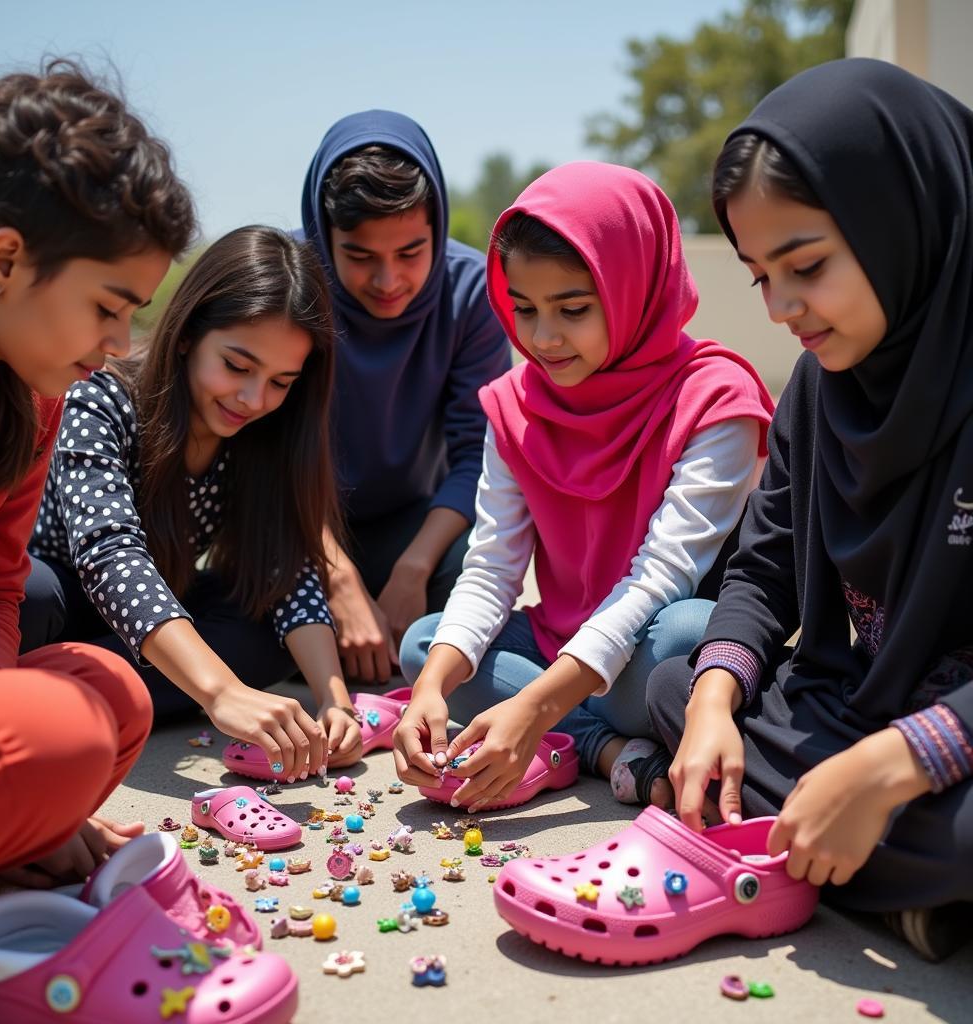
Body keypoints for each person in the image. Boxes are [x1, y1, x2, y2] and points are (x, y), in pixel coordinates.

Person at [645, 58, 973, 961]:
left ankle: (841, 849)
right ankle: (908, 889)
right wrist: (715, 701)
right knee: (678, 690)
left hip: (949, 735)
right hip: (856, 705)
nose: (783, 307)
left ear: (898, 221)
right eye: (759, 276)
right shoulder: (821, 388)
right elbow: (763, 566)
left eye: (808, 265)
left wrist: (892, 766)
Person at [393, 162, 774, 812]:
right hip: (555, 646)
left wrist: (536, 706)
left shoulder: (715, 399)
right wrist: (429, 688)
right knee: (426, 647)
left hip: (653, 657)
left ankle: (562, 735)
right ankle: (608, 750)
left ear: (633, 288)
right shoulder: (515, 406)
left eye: (572, 309)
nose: (541, 338)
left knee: (690, 633)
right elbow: (491, 569)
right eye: (524, 308)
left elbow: (663, 576)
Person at [0, 60, 194, 901]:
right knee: (59, 732)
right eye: (107, 307)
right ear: (5, 260)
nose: (123, 344)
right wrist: (18, 754)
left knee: (112, 692)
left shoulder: (26, 400)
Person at [20, 225, 364, 774]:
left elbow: (287, 564)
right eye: (237, 366)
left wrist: (334, 701)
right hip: (67, 602)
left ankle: (65, 694)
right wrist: (222, 691)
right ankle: (57, 696)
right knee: (27, 594)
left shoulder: (263, 435)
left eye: (281, 382)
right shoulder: (101, 397)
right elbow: (110, 553)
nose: (253, 399)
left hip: (159, 626)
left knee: (270, 630)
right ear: (187, 335)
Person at [301, 111, 512, 683]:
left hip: (414, 526)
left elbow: (478, 454)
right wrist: (338, 579)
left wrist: (413, 569)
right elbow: (261, 453)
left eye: (411, 253)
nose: (388, 280)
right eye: (361, 256)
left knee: (472, 570)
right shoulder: (289, 282)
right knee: (257, 619)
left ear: (437, 228)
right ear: (324, 234)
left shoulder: (472, 292)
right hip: (295, 524)